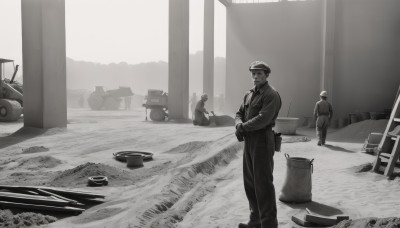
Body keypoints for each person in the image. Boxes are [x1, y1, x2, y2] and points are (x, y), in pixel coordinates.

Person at [235, 61, 282, 228]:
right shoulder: (249, 94)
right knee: (250, 183)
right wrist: (238, 124)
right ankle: (255, 220)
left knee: (263, 184)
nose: (255, 77)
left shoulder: (271, 94)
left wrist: (243, 127)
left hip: (263, 140)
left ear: (266, 75)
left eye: (259, 74)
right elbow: (239, 113)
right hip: (249, 141)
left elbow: (264, 118)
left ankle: (268, 224)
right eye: (253, 74)